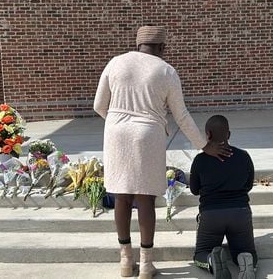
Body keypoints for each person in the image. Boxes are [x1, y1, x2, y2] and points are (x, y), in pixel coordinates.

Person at [94, 26, 231, 278]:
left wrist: (118, 123)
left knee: (122, 196)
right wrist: (204, 145)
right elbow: (181, 115)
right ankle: (146, 264)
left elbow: (98, 105)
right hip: (148, 134)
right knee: (146, 199)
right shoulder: (166, 70)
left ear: (137, 45)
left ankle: (125, 261)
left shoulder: (115, 63)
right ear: (162, 48)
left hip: (115, 133)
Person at [190, 115, 257, 279]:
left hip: (211, 215)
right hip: (240, 213)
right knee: (246, 251)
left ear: (208, 135)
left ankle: (211, 260)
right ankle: (244, 261)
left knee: (200, 253)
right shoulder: (244, 156)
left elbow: (194, 190)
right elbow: (248, 186)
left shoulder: (199, 160)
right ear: (229, 134)